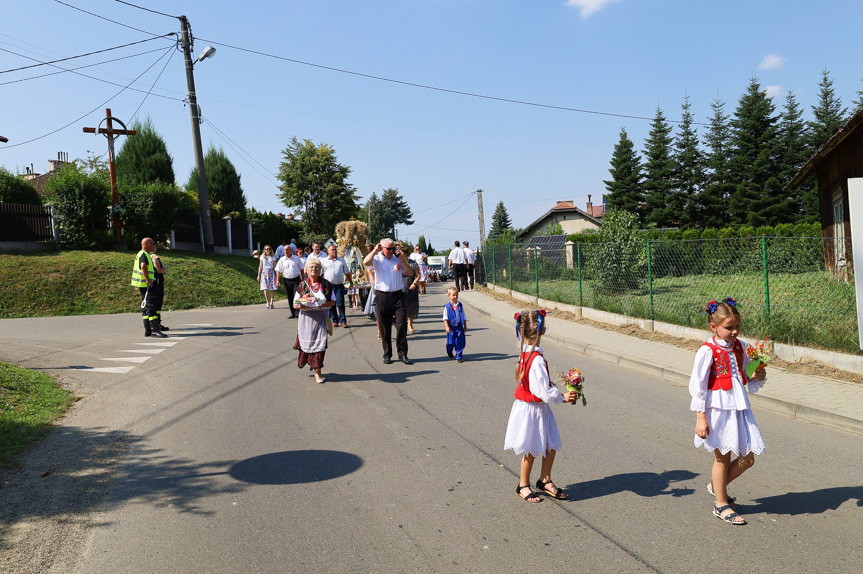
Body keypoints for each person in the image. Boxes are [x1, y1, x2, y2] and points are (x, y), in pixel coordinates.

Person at [690, 298, 767, 525]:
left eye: (737, 327)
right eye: (729, 327)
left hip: (739, 409)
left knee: (748, 458)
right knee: (722, 458)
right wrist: (700, 418)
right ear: (713, 327)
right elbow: (698, 386)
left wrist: (757, 374)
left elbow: (745, 375)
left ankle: (717, 486)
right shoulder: (707, 351)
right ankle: (721, 505)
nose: (734, 332)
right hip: (717, 410)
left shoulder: (740, 346)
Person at [504, 309, 578, 502]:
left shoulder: (527, 352)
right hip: (532, 409)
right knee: (532, 448)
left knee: (549, 444)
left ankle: (545, 480)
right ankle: (523, 484)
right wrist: (562, 396)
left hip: (536, 408)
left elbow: (540, 386)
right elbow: (543, 392)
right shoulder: (535, 359)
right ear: (541, 332)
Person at [364, 237, 414, 364]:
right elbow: (366, 262)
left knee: (402, 324)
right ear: (382, 248)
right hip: (383, 295)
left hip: (398, 295)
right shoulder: (377, 259)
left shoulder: (398, 258)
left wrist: (403, 261)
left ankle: (402, 353)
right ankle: (387, 354)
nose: (392, 251)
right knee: (385, 326)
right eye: (389, 249)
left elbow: (409, 273)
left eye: (393, 249)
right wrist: (375, 250)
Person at [293, 258, 336, 383]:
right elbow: (295, 304)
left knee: (320, 345)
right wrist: (305, 304)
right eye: (311, 267)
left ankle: (318, 372)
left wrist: (321, 304)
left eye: (316, 267)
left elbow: (333, 301)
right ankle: (311, 364)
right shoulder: (302, 285)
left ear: (320, 270)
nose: (314, 269)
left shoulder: (326, 284)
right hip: (306, 319)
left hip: (321, 318)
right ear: (306, 270)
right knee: (308, 344)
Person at [131, 237, 168, 338]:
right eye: (153, 243)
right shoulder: (144, 254)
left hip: (143, 285)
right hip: (147, 285)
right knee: (151, 307)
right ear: (147, 244)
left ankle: (148, 330)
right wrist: (148, 279)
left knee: (146, 307)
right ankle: (155, 330)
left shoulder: (141, 254)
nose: (154, 245)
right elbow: (143, 266)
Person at [321, 244, 352, 327]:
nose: (334, 251)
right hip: (328, 286)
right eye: (332, 250)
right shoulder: (323, 261)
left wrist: (351, 282)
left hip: (339, 286)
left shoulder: (341, 260)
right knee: (332, 304)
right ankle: (335, 320)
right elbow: (320, 274)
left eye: (335, 250)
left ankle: (343, 321)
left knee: (340, 303)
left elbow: (347, 272)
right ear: (328, 251)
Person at [275, 246, 303, 318]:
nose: (286, 251)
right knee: (289, 296)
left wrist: (302, 279)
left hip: (296, 279)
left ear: (291, 250)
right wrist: (277, 280)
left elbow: (301, 269)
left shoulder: (296, 258)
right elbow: (278, 270)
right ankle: (293, 312)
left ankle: (298, 312)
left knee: (296, 296)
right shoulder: (282, 260)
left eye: (287, 250)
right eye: (284, 250)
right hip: (286, 280)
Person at [442, 286, 467, 362]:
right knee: (451, 342)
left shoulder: (460, 305)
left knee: (460, 342)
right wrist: (447, 327)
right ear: (448, 296)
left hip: (459, 326)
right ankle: (449, 350)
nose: (455, 297)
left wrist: (465, 325)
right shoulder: (447, 307)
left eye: (456, 295)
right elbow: (445, 318)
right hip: (451, 327)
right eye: (453, 295)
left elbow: (463, 316)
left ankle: (459, 356)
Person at [401, 244, 421, 333]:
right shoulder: (398, 262)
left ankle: (410, 323)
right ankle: (403, 325)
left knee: (411, 306)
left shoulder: (413, 263)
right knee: (402, 307)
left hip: (411, 286)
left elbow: (418, 275)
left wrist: (414, 283)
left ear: (405, 254)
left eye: (401, 253)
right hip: (401, 286)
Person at [150, 250, 169, 332]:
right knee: (157, 304)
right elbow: (158, 269)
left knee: (154, 305)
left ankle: (156, 324)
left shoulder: (146, 256)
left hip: (153, 282)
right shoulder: (154, 256)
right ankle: (157, 325)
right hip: (157, 283)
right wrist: (163, 270)